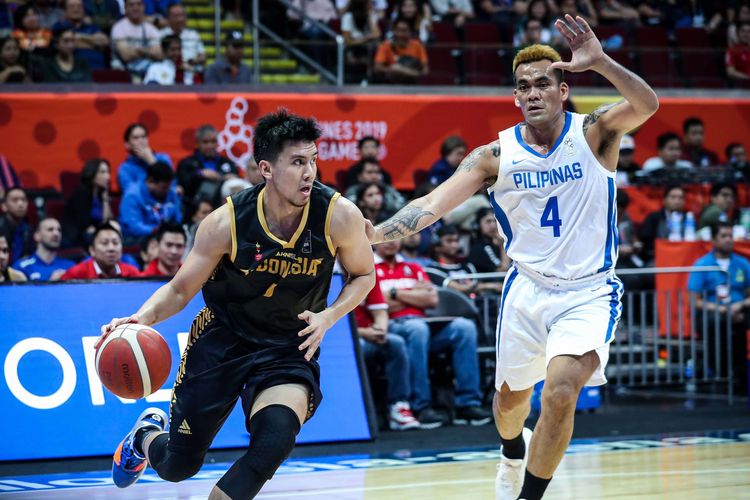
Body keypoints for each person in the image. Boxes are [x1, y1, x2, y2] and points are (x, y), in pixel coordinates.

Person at [365, 17, 659, 499]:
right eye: (524, 86)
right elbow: (432, 205)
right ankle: (510, 450)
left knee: (561, 392)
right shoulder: (493, 156)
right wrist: (375, 233)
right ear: (515, 98)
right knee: (507, 405)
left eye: (543, 83)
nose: (533, 92)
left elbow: (648, 104)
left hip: (589, 290)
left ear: (563, 90)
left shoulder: (594, 133)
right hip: (526, 290)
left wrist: (602, 62)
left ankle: (529, 496)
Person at [95, 110, 375, 499]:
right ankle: (145, 437)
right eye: (297, 162)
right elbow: (179, 290)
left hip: (287, 346)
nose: (310, 171)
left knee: (274, 441)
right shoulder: (225, 223)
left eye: (313, 160)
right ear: (266, 168)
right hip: (224, 339)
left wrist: (330, 315)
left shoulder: (338, 215)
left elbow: (363, 275)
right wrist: (141, 318)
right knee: (178, 466)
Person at [374, 239, 491, 428]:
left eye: (395, 238)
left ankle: (467, 404)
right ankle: (421, 406)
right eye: (386, 239)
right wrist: (414, 295)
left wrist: (395, 293)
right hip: (391, 327)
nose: (392, 243)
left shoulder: (413, 267)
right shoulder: (370, 269)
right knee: (417, 329)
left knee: (464, 327)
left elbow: (432, 299)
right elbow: (380, 304)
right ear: (375, 241)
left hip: (426, 324)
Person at [687, 221, 750, 394]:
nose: (728, 240)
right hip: (712, 313)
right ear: (713, 240)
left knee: (740, 321)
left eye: (730, 236)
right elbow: (695, 300)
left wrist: (740, 306)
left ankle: (740, 375)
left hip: (739, 309)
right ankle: (720, 374)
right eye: (723, 236)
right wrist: (721, 309)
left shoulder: (742, 263)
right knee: (717, 322)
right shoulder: (702, 264)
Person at [355, 270, 421, 430]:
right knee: (359, 348)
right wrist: (363, 333)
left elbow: (380, 312)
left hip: (370, 334)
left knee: (395, 343)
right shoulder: (328, 275)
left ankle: (399, 407)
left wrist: (380, 330)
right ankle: (357, 410)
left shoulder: (366, 272)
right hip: (343, 339)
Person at [177, 125, 239, 206]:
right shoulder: (187, 163)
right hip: (194, 209)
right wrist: (200, 174)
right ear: (197, 143)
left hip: (222, 207)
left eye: (213, 141)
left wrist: (230, 180)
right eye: (205, 142)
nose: (210, 145)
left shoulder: (228, 163)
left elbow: (237, 186)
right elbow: (182, 183)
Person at [119, 161, 182, 242]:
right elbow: (134, 227)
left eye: (169, 186)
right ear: (150, 182)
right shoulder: (132, 195)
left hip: (164, 237)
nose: (168, 190)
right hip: (136, 239)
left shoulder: (170, 192)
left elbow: (177, 219)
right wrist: (157, 230)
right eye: (164, 187)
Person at [61, 221, 142, 279]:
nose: (111, 248)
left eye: (115, 243)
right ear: (92, 250)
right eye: (104, 243)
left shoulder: (132, 273)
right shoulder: (76, 274)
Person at [63, 158, 114, 247]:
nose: (108, 176)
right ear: (92, 174)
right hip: (77, 236)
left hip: (95, 233)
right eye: (103, 172)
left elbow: (107, 221)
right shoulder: (81, 193)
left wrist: (105, 199)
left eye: (108, 172)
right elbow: (84, 224)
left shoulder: (100, 195)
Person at [110, 0, 162, 79]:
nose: (135, 8)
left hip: (148, 72)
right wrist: (147, 51)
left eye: (139, 4)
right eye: (131, 5)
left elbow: (158, 54)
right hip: (124, 73)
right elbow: (126, 56)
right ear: (125, 8)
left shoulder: (151, 29)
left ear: (144, 7)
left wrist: (136, 51)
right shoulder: (118, 27)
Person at [117, 123, 173, 193]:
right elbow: (131, 194)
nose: (141, 141)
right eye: (136, 138)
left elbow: (171, 184)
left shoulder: (163, 158)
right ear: (127, 145)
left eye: (144, 137)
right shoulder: (125, 169)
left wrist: (152, 161)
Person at [638, 184, 686, 264]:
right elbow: (646, 242)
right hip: (658, 257)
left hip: (683, 257)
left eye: (680, 198)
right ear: (664, 200)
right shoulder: (654, 218)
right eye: (673, 197)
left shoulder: (688, 218)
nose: (677, 201)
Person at [373, 16, 429, 84]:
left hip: (412, 84)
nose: (400, 34)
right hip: (390, 84)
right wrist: (394, 70)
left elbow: (425, 69)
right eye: (398, 30)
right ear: (393, 30)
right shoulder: (385, 45)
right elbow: (377, 67)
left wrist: (401, 70)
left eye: (404, 31)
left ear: (410, 32)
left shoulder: (417, 45)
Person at [0, 187, 34, 263]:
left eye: (24, 200)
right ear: (4, 206)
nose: (20, 204)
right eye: (15, 200)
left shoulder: (28, 229)